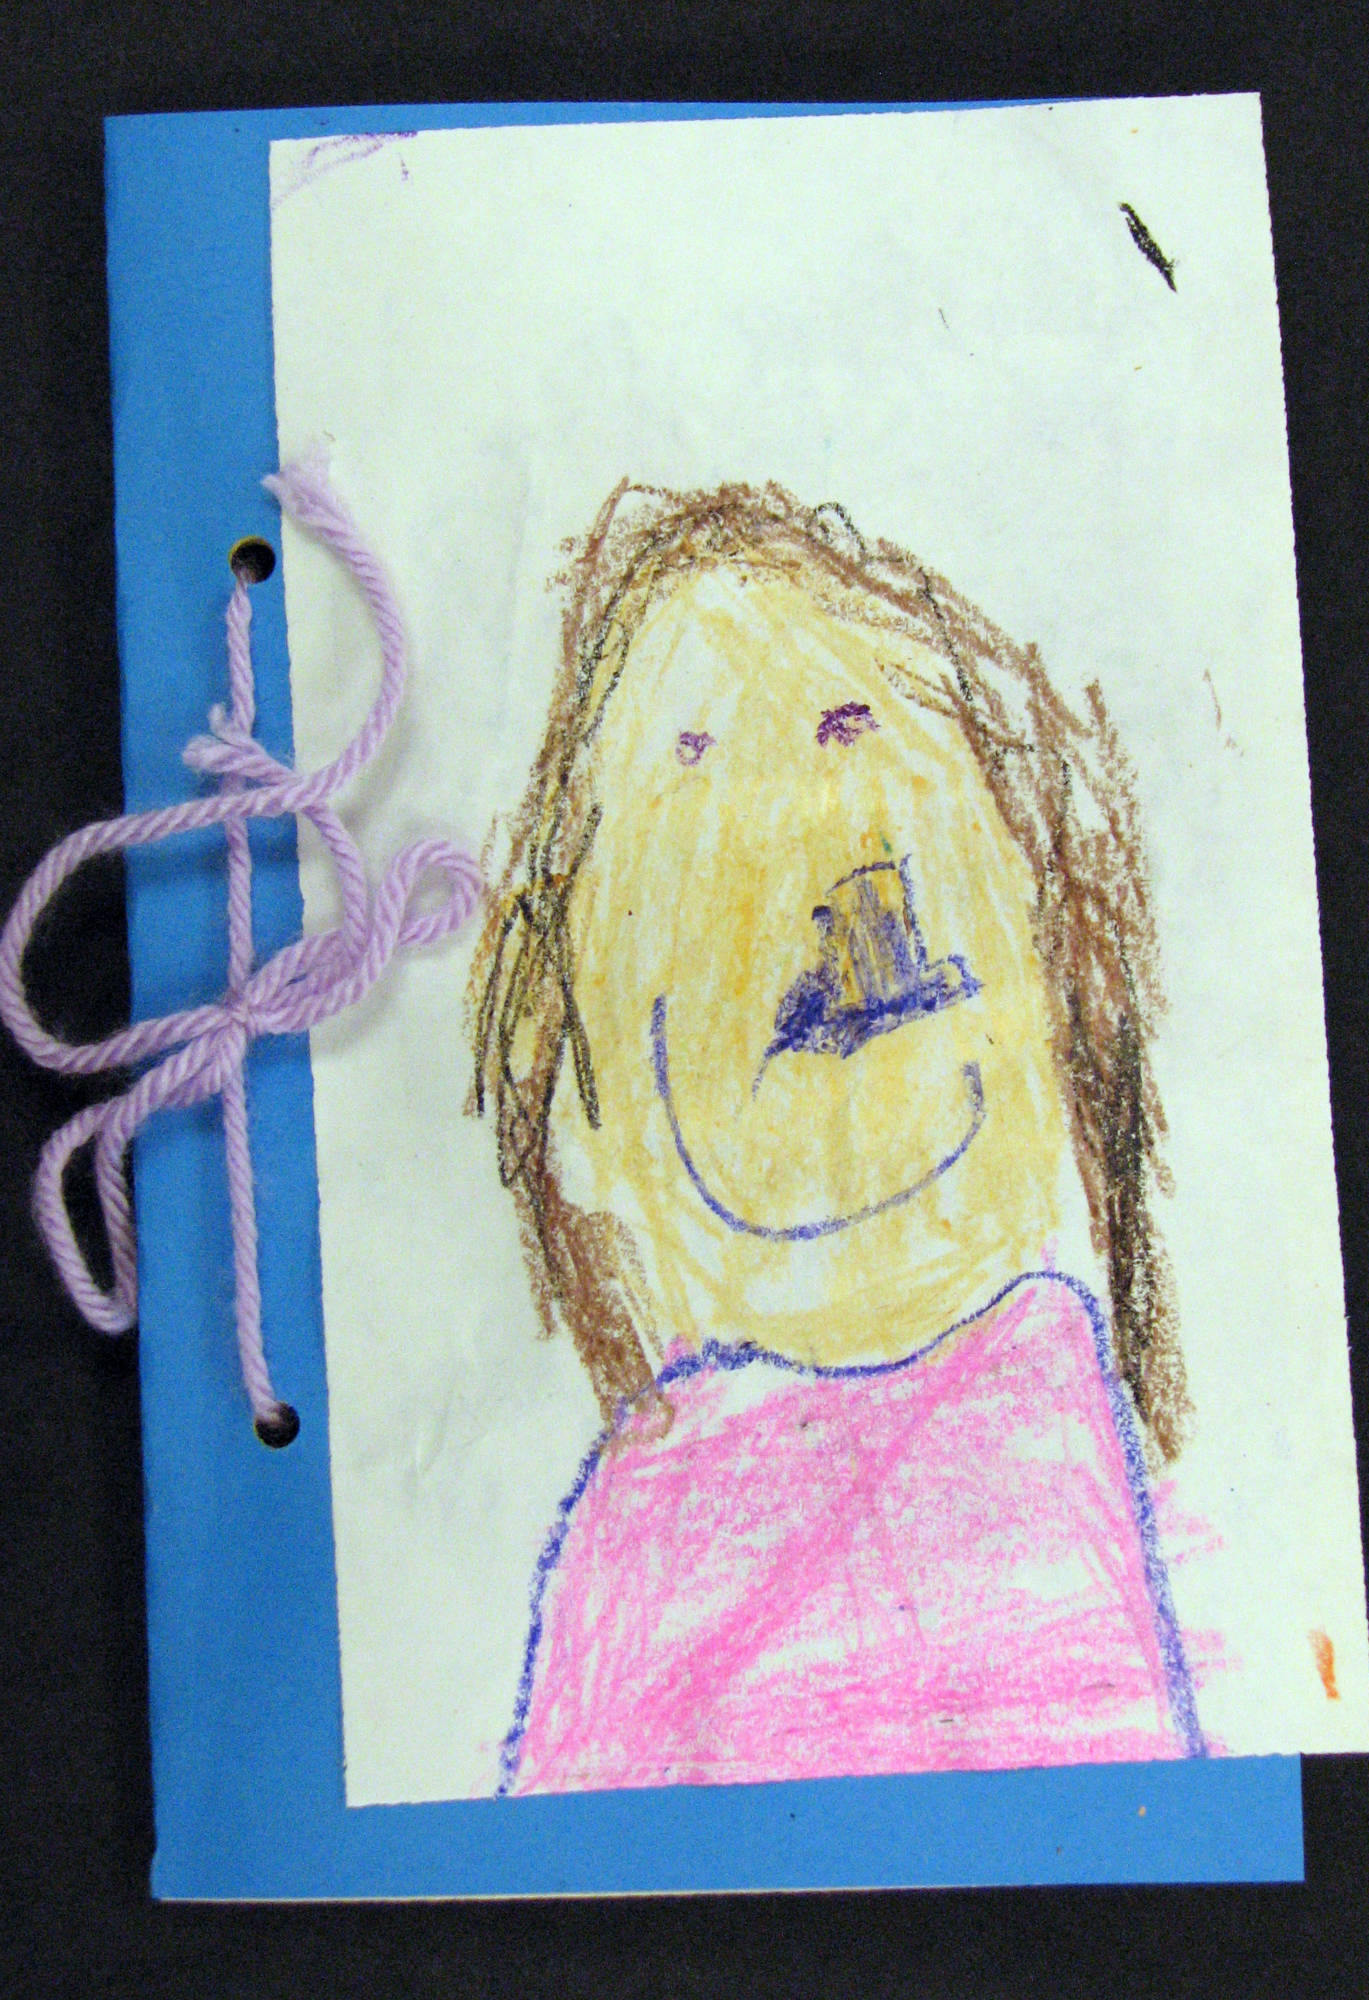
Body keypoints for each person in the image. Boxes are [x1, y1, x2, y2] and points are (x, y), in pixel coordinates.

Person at [467, 480, 1206, 1794]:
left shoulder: (1095, 1460)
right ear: (579, 1105)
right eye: (692, 766)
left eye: (845, 729)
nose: (815, 883)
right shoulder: (643, 1564)